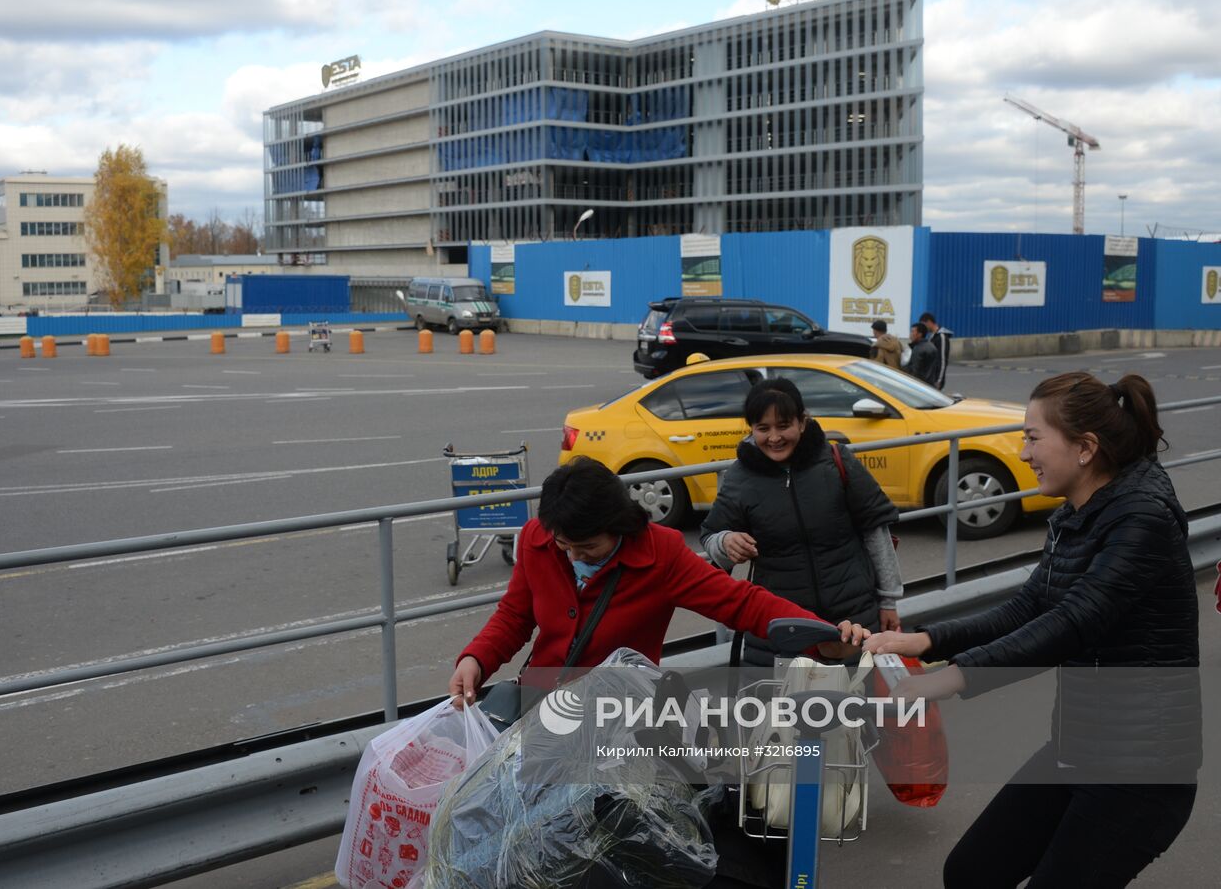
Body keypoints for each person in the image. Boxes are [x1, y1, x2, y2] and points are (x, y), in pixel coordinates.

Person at [865, 371, 1200, 889]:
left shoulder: (1142, 520)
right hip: (1079, 749)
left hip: (1141, 773)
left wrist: (948, 679)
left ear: (1085, 448)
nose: (1023, 453)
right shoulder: (1078, 512)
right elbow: (1028, 607)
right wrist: (925, 640)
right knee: (973, 871)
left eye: (1033, 437)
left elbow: (1073, 623)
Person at [449, 456, 871, 704]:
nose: (574, 555)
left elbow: (743, 603)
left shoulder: (660, 553)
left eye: (587, 547)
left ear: (618, 525)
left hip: (617, 716)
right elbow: (514, 616)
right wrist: (475, 660)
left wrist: (822, 637)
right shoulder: (535, 541)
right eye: (565, 545)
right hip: (541, 706)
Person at [699, 378, 903, 664]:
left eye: (784, 426)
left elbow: (876, 531)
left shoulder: (836, 461)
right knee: (787, 707)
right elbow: (711, 535)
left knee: (858, 703)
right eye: (763, 429)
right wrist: (726, 541)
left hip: (855, 619)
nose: (774, 438)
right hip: (781, 627)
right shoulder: (740, 476)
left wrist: (889, 601)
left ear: (803, 422)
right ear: (752, 429)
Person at [919, 311, 952, 390]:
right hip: (929, 377)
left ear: (929, 322)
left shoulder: (941, 337)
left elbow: (943, 361)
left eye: (924, 325)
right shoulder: (931, 337)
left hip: (936, 379)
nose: (923, 328)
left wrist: (939, 381)